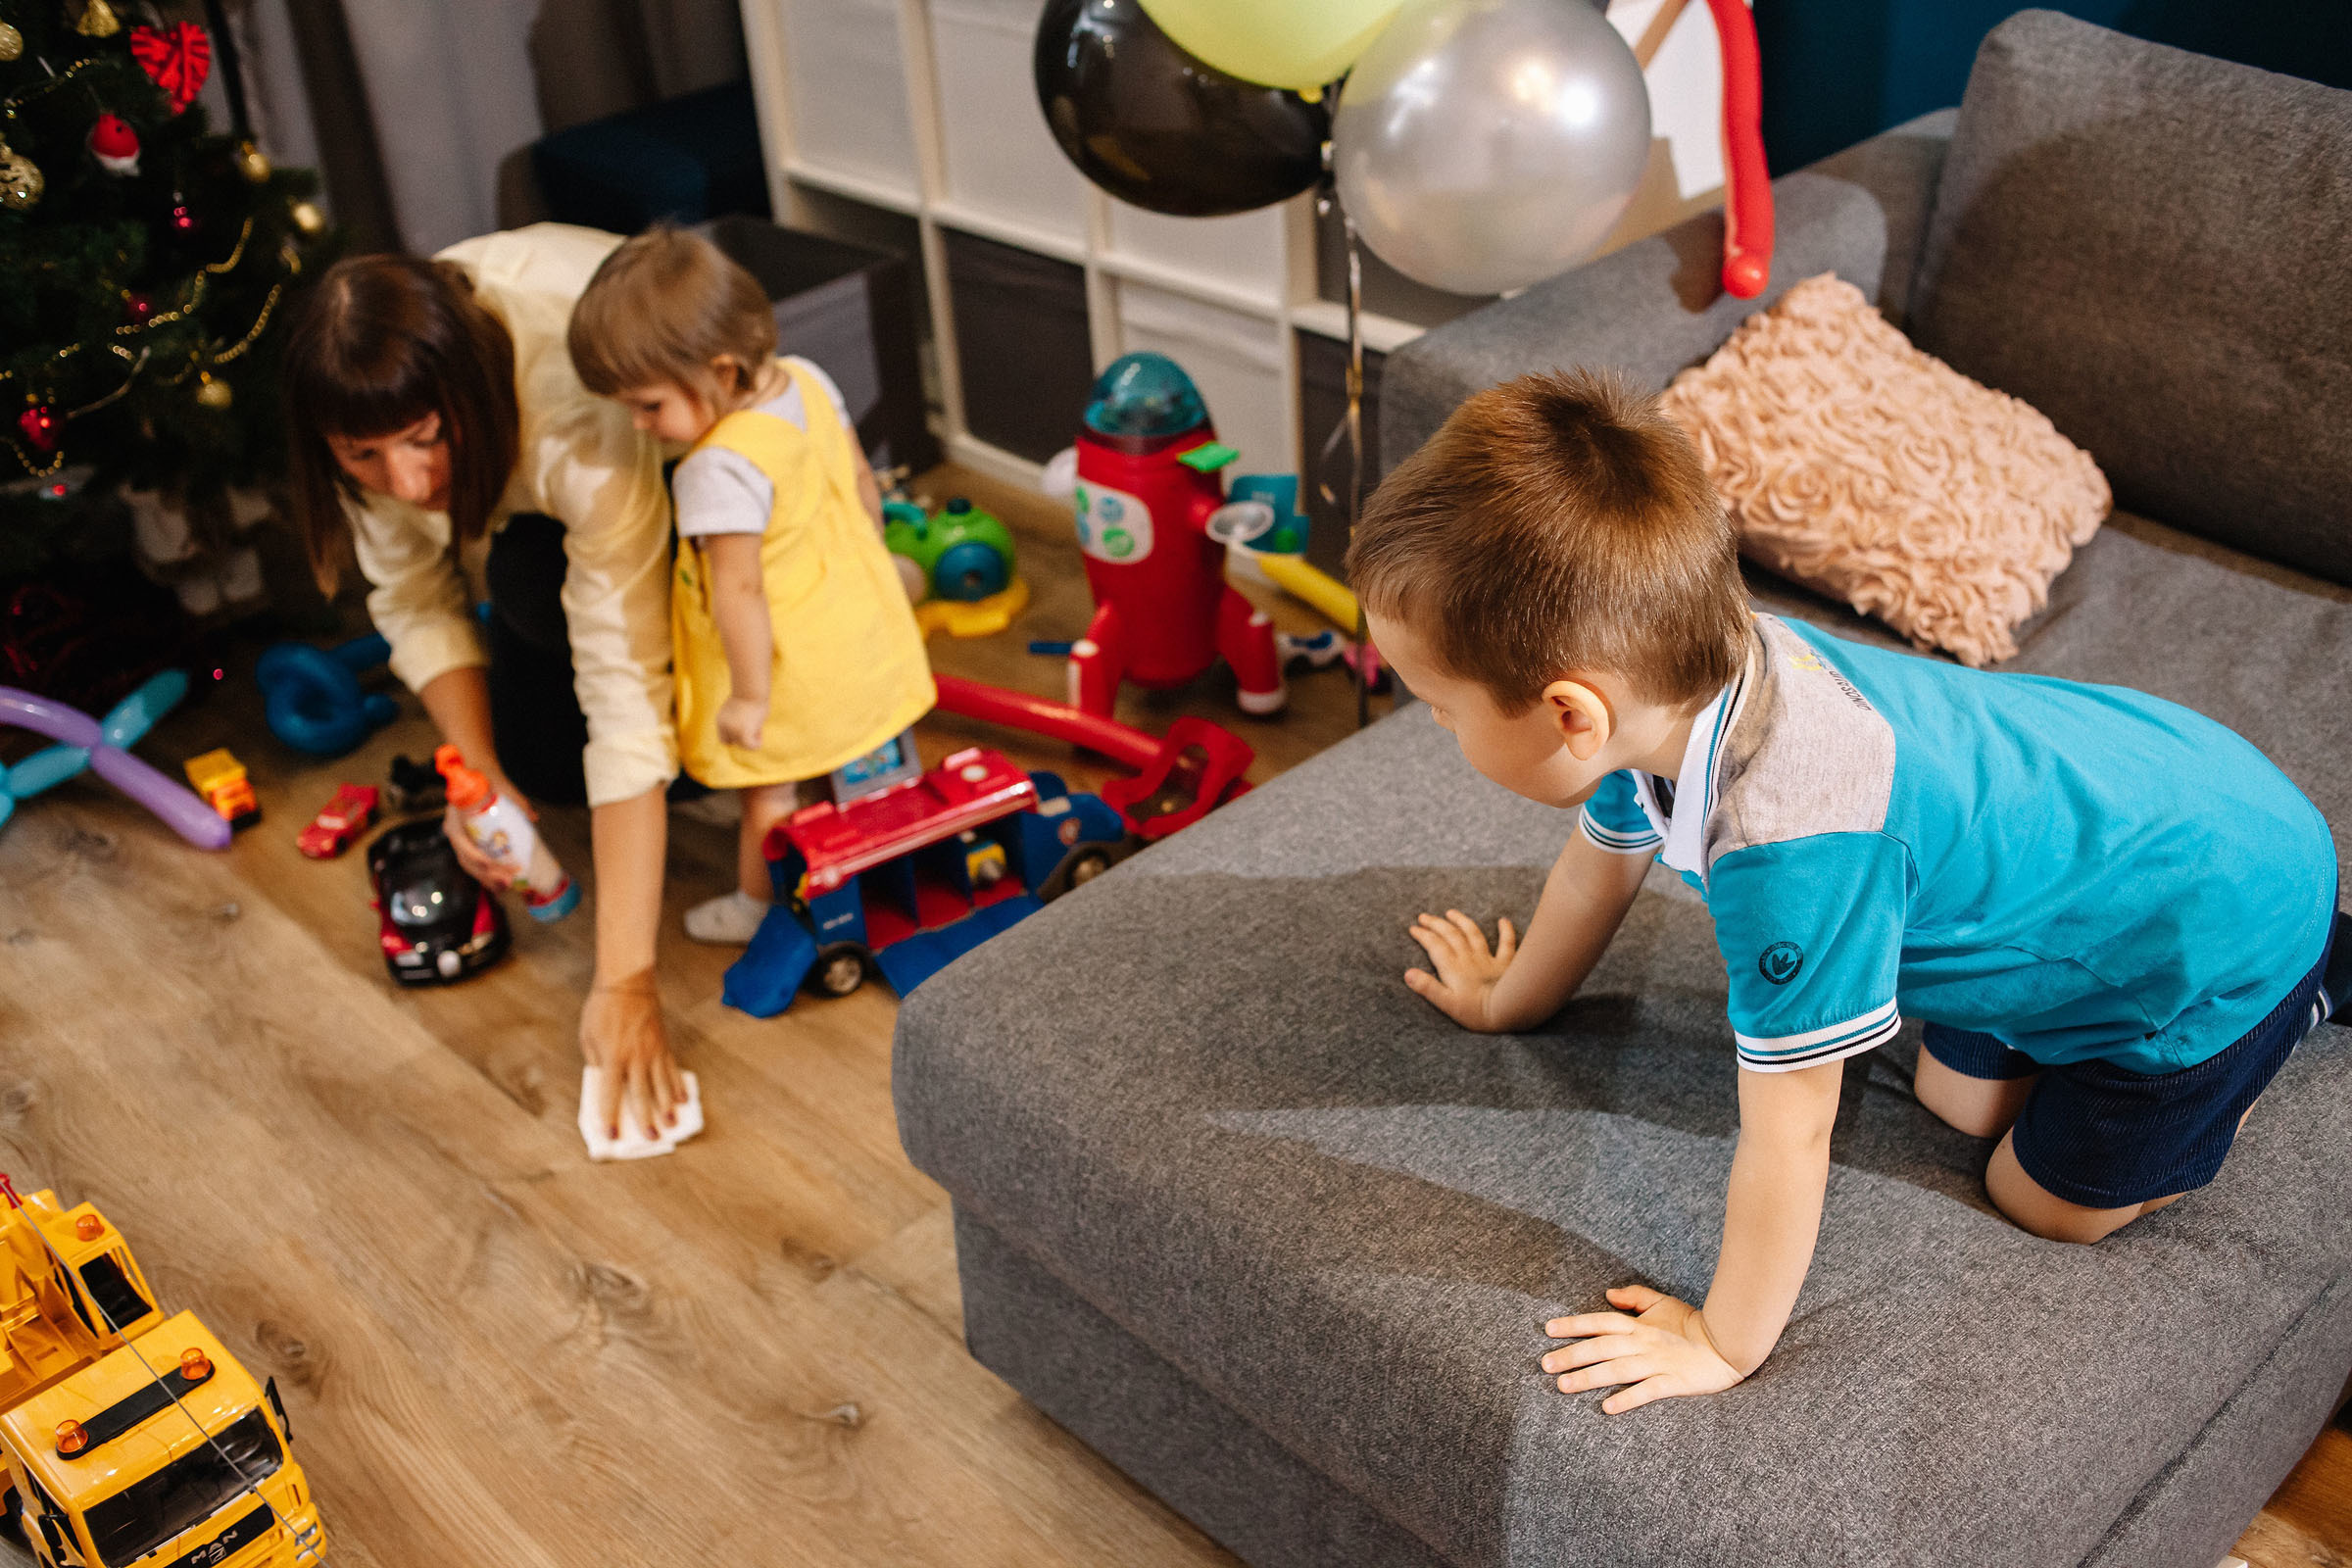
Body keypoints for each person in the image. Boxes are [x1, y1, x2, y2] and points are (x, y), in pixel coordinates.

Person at [1350, 368, 2350, 1416]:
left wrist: (1723, 1341)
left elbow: (1790, 1130)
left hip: (2222, 925)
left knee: (2037, 1199)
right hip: (2108, 859)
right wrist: (1510, 1001)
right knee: (1951, 1100)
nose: (1431, 723)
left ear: (1571, 715)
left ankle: (2290, 1007)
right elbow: (1600, 863)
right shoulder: (1681, 671)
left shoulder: (1792, 851)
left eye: (1436, 703)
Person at [281, 224, 689, 1142]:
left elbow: (626, 683)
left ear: (462, 394)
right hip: (549, 528)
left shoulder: (578, 410)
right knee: (541, 769)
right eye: (364, 458)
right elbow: (416, 594)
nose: (409, 481)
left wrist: (626, 977)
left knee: (542, 590)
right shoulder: (358, 420)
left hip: (702, 483)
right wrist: (478, 767)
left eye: (427, 439)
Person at [566, 225, 934, 944]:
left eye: (648, 406)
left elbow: (737, 591)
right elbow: (859, 483)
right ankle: (890, 855)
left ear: (725, 372)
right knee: (869, 748)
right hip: (857, 623)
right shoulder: (808, 377)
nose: (640, 428)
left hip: (788, 663)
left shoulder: (717, 470)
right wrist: (867, 565)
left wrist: (749, 697)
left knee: (771, 790)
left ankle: (758, 906)